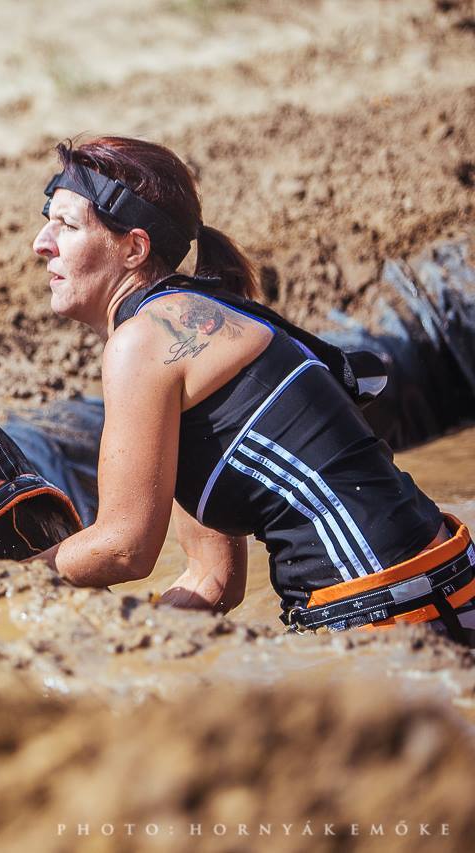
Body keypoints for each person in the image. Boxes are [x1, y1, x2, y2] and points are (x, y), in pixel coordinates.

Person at [25, 135, 475, 643]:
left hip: (381, 601)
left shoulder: (142, 342)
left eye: (66, 225)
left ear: (133, 248)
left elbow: (125, 547)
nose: (42, 242)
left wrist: (2, 588)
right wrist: (133, 653)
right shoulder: (192, 318)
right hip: (441, 579)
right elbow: (212, 580)